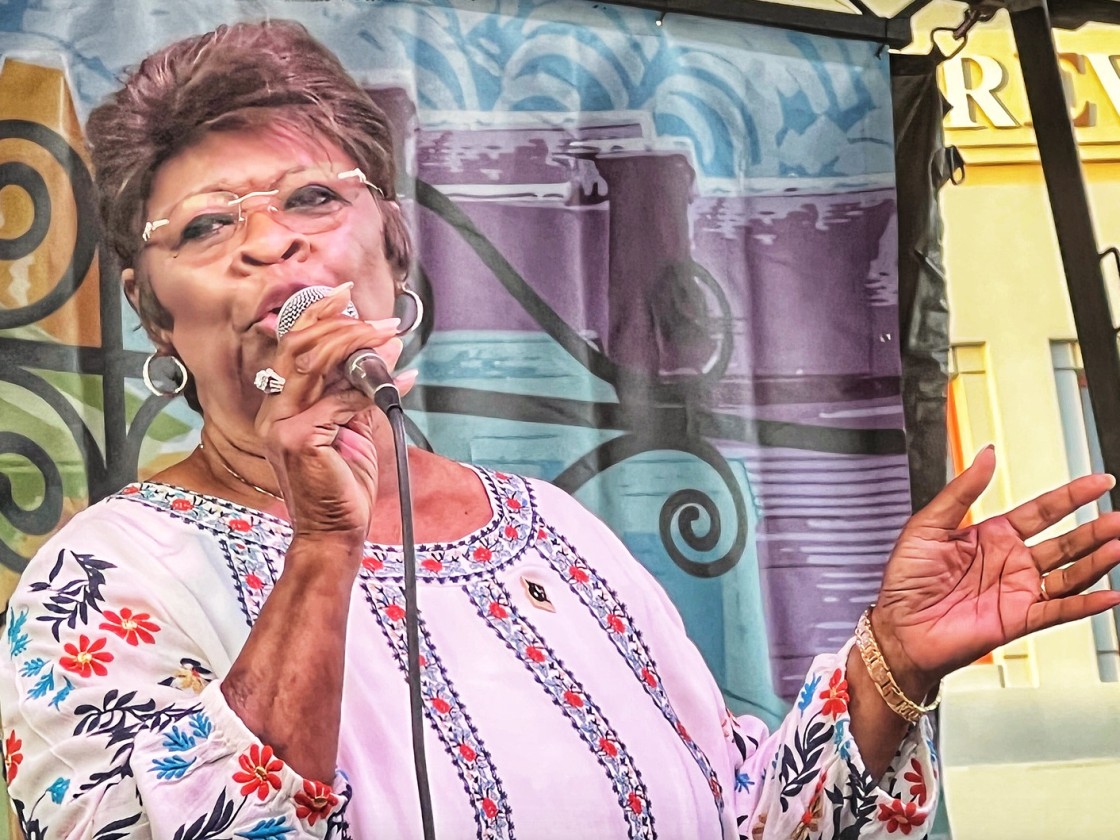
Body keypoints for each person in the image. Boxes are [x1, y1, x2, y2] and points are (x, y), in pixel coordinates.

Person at [2, 19, 1119, 840]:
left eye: (311, 199)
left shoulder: (550, 530)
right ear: (154, 313)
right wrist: (323, 547)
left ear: (391, 249)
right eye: (205, 225)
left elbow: (740, 819)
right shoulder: (99, 582)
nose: (271, 246)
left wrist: (888, 670)